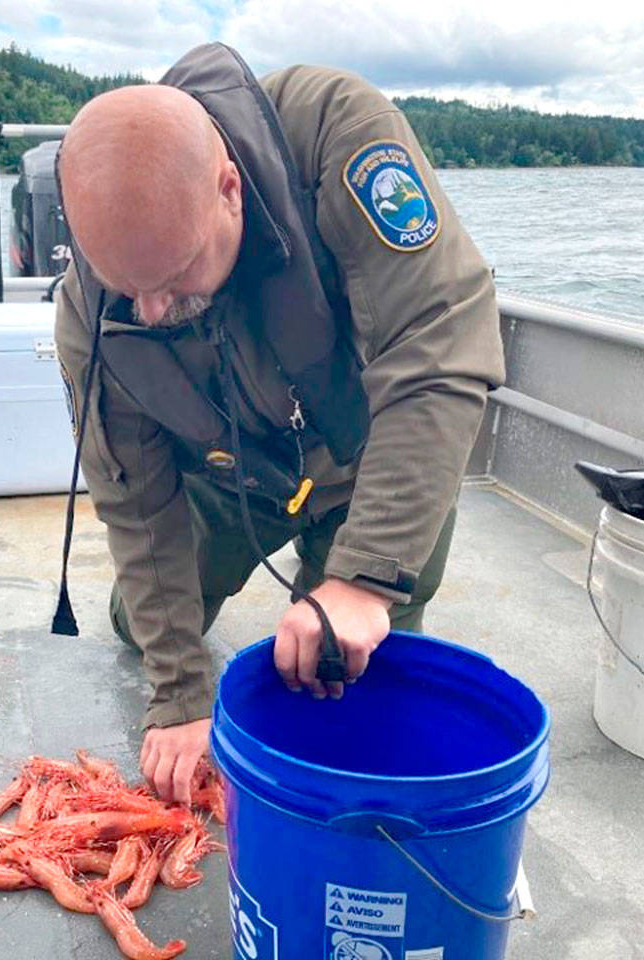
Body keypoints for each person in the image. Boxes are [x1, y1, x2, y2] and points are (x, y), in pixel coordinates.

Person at [52, 43, 504, 804]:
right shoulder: (93, 310)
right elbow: (134, 498)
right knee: (144, 627)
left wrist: (362, 580)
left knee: (348, 673)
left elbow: (439, 353)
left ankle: (354, 569)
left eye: (174, 278)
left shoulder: (341, 136)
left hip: (366, 458)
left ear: (229, 188)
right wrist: (181, 696)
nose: (154, 310)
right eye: (132, 291)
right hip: (235, 475)